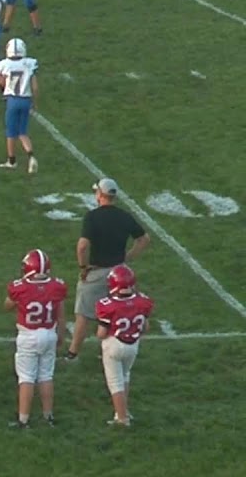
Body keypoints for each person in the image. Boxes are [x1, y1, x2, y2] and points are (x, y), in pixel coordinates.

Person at [65, 178, 151, 360]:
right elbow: (144, 239)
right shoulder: (124, 216)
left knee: (84, 315)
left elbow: (82, 246)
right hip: (119, 273)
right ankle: (108, 350)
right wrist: (128, 257)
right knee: (117, 312)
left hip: (96, 272)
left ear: (99, 195)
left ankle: (73, 354)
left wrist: (82, 266)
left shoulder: (92, 216)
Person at [4, 249, 67, 428]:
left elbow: (7, 305)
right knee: (46, 375)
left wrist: (20, 298)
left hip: (28, 335)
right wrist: (60, 335)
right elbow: (61, 315)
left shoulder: (20, 287)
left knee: (26, 377)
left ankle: (23, 420)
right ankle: (48, 416)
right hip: (49, 333)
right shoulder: (57, 286)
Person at [94, 265, 153, 427]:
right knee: (125, 376)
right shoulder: (142, 301)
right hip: (133, 345)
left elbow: (101, 333)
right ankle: (124, 411)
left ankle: (122, 418)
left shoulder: (107, 305)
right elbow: (146, 327)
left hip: (114, 344)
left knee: (115, 383)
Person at [0, 37, 39, 172]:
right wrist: (35, 103)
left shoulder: (4, 64)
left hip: (12, 100)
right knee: (23, 132)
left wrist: (2, 89)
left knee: (11, 132)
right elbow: (35, 87)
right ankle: (31, 157)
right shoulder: (29, 64)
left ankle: (11, 160)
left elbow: (1, 82)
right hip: (25, 100)